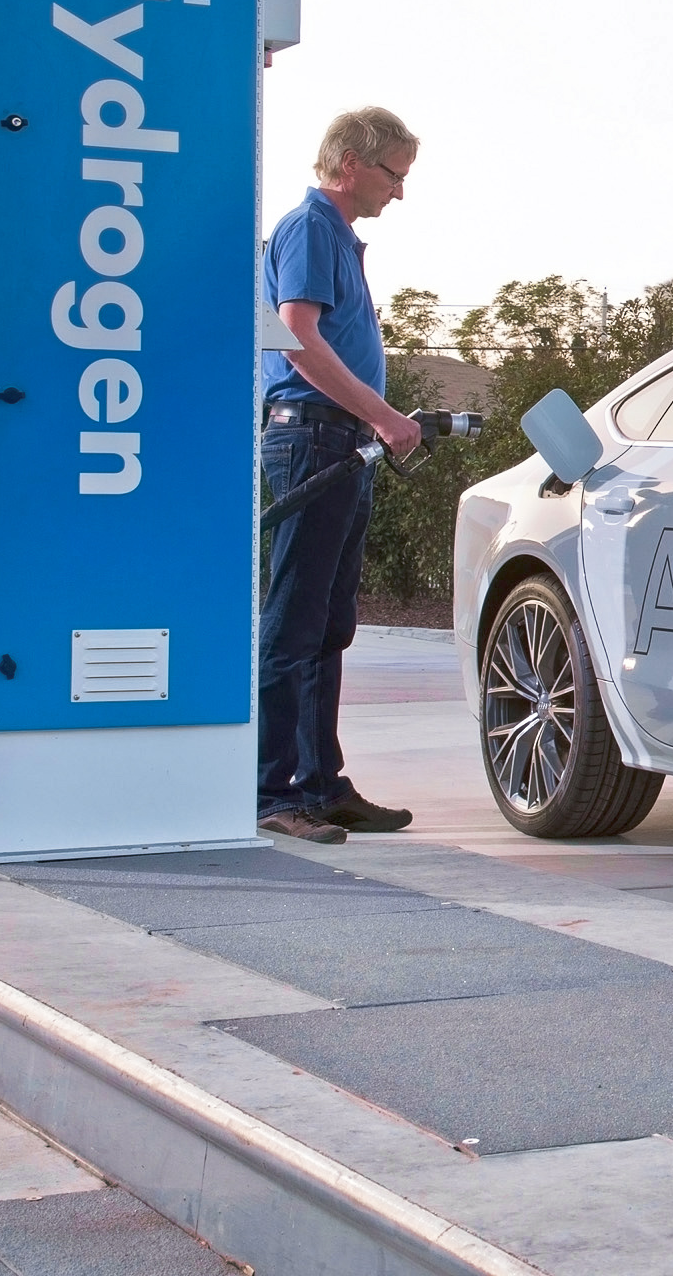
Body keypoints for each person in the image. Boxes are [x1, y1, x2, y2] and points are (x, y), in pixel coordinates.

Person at [254, 108, 424, 844]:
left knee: (328, 621)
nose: (399, 190)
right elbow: (297, 337)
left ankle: (319, 784)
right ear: (350, 163)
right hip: (313, 438)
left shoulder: (336, 238)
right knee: (294, 619)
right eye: (393, 174)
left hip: (339, 440)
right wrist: (383, 415)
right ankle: (268, 792)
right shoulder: (310, 228)